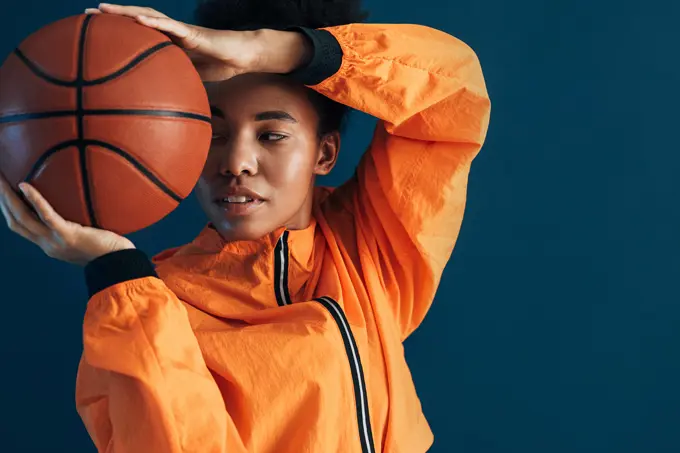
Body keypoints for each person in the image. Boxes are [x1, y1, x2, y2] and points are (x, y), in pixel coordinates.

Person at [0, 0, 491, 451]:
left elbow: (451, 90)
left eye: (272, 134)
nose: (236, 162)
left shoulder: (369, 252)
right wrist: (115, 271)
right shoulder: (151, 303)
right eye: (211, 134)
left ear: (325, 153)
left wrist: (264, 49)